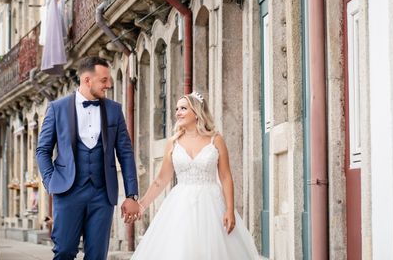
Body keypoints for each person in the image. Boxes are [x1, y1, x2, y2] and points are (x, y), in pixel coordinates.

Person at [130, 92, 258, 259]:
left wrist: (229, 210)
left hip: (212, 204)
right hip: (180, 205)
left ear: (197, 113)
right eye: (177, 109)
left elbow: (226, 177)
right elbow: (161, 180)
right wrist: (142, 205)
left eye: (183, 108)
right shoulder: (173, 142)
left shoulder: (216, 140)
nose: (178, 112)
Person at [36, 56, 140, 260]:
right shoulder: (57, 108)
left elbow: (126, 153)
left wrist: (131, 194)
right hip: (67, 192)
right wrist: (50, 181)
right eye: (104, 80)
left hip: (102, 195)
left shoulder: (114, 110)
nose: (108, 85)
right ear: (87, 80)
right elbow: (43, 150)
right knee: (64, 251)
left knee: (96, 256)